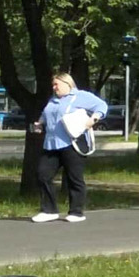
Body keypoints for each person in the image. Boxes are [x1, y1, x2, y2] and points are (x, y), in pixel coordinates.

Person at [31, 71, 107, 223]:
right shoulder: (53, 100)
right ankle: (49, 211)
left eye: (56, 84)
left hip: (72, 144)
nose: (54, 88)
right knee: (43, 175)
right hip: (51, 145)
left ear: (67, 83)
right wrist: (39, 124)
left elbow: (102, 106)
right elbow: (46, 115)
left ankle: (76, 212)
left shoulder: (80, 96)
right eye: (53, 85)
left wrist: (94, 118)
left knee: (74, 178)